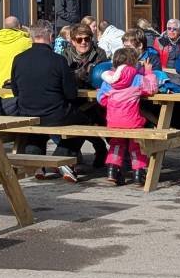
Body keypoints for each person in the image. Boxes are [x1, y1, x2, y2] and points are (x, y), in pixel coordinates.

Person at [10, 21, 84, 182]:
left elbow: (15, 90)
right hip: (55, 114)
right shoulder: (58, 60)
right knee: (85, 121)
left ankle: (37, 162)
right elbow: (71, 94)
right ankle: (61, 157)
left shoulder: (18, 59)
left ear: (31, 37)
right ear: (50, 37)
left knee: (38, 129)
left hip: (26, 112)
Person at [96, 46, 158, 186]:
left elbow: (101, 100)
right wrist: (148, 71)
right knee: (135, 145)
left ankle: (112, 171)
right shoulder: (137, 78)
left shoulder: (108, 81)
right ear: (134, 62)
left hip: (113, 122)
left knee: (116, 144)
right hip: (133, 122)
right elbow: (152, 88)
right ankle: (138, 174)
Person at [61, 22, 108, 168]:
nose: (83, 43)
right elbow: (64, 77)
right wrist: (81, 74)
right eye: (79, 39)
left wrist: (78, 75)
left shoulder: (99, 53)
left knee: (99, 119)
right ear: (72, 41)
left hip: (97, 100)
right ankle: (98, 147)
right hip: (74, 99)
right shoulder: (65, 54)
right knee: (79, 119)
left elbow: (102, 76)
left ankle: (118, 158)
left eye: (87, 39)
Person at [0, 16, 31, 97]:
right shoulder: (26, 42)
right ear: (19, 26)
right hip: (16, 88)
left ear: (4, 27)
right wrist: (29, 32)